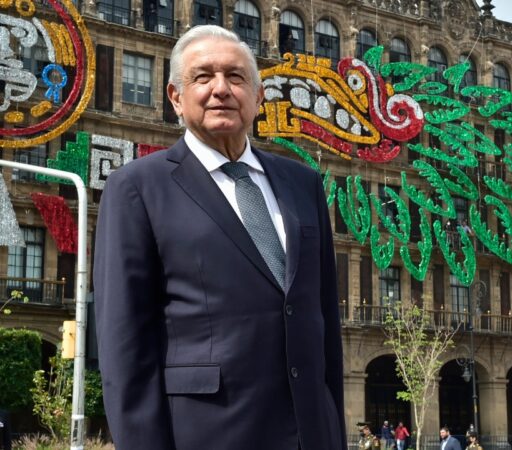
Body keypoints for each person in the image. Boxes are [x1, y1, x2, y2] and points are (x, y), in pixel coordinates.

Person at [94, 25, 345, 450]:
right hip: (206, 432)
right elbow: (125, 346)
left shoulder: (303, 183)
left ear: (259, 96)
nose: (221, 89)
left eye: (236, 76)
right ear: (176, 96)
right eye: (203, 77)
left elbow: (323, 325)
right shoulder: (137, 187)